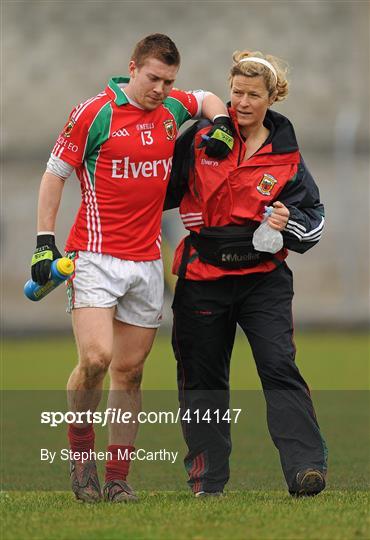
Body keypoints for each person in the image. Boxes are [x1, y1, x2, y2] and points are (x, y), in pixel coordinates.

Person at [30, 33, 234, 503]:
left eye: (168, 80)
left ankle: (118, 477)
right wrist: (45, 243)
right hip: (94, 258)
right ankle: (81, 460)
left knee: (131, 372)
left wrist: (220, 121)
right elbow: (54, 175)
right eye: (153, 78)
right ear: (132, 68)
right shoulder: (94, 112)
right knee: (96, 359)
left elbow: (203, 98)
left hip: (146, 262)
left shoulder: (172, 110)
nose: (161, 88)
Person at [166, 49, 328, 498]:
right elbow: (157, 191)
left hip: (264, 281)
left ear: (272, 98)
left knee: (279, 366)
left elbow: (313, 219)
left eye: (253, 94)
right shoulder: (200, 139)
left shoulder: (287, 155)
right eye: (236, 92)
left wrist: (286, 220)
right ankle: (207, 482)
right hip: (202, 278)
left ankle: (306, 470)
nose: (241, 102)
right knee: (202, 378)